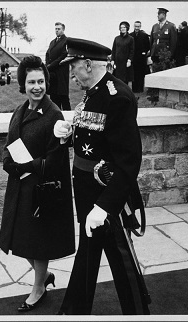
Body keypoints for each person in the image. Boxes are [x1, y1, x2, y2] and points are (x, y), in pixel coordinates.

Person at [53, 37, 150, 315]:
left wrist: (105, 206)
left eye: (73, 66)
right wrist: (68, 134)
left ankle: (138, 313)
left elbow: (129, 162)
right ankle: (74, 311)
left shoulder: (117, 96)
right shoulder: (93, 92)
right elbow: (95, 140)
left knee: (121, 258)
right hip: (86, 192)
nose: (71, 73)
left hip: (106, 196)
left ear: (87, 64)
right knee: (87, 253)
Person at [0, 55, 75, 312]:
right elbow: (10, 143)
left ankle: (39, 287)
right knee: (20, 240)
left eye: (41, 81)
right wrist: (8, 161)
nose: (37, 87)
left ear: (46, 82)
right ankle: (44, 277)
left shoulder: (53, 114)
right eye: (31, 82)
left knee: (38, 242)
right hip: (20, 186)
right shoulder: (20, 111)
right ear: (23, 83)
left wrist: (25, 166)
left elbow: (54, 160)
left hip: (40, 190)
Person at [45, 22, 71, 111]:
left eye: (58, 29)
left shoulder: (67, 41)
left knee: (63, 96)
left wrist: (50, 66)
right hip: (52, 74)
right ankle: (55, 116)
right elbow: (47, 54)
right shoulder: (52, 42)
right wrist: (47, 65)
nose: (56, 31)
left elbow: (63, 56)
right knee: (54, 97)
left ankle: (68, 117)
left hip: (61, 73)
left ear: (63, 30)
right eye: (55, 29)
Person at [130, 21, 150, 93]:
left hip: (141, 57)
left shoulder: (144, 35)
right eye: (135, 26)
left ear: (140, 27)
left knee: (141, 73)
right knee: (134, 73)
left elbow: (148, 46)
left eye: (138, 26)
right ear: (134, 26)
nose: (137, 28)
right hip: (133, 57)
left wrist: (144, 52)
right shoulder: (130, 35)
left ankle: (140, 89)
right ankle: (134, 89)